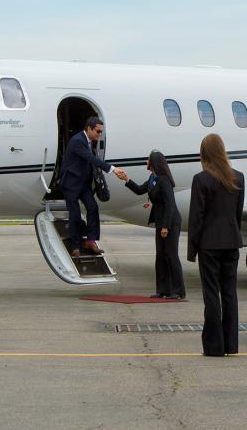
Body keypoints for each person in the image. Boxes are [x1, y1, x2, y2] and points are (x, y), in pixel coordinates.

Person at [187, 134, 245, 357]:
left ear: (204, 154)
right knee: (229, 292)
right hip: (231, 241)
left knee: (211, 293)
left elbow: (196, 218)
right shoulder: (238, 178)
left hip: (209, 244)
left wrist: (192, 249)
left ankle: (214, 346)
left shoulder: (201, 179)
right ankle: (231, 344)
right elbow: (237, 214)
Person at [58, 116, 126, 257]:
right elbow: (91, 159)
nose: (99, 135)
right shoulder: (78, 141)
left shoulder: (89, 141)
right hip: (70, 183)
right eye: (97, 131)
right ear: (89, 128)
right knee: (75, 214)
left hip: (83, 184)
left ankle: (90, 241)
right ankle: (75, 246)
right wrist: (113, 169)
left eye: (101, 132)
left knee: (93, 208)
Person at [123, 150, 185, 299]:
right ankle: (163, 290)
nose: (146, 161)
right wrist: (126, 180)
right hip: (160, 222)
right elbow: (139, 190)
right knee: (160, 256)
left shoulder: (164, 180)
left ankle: (178, 291)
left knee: (171, 256)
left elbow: (170, 204)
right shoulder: (152, 178)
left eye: (148, 159)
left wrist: (165, 227)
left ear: (154, 162)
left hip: (170, 222)